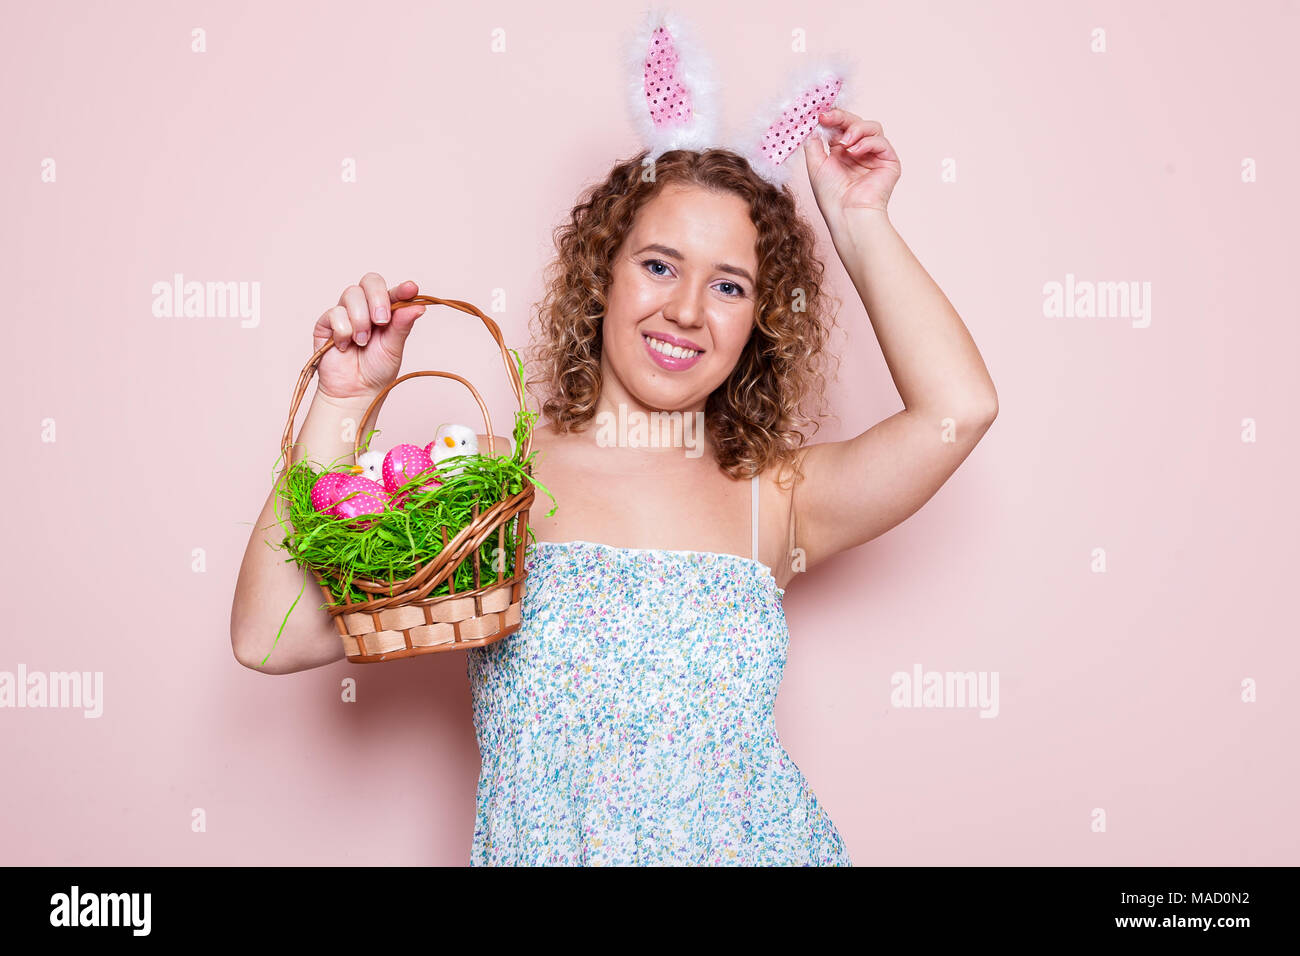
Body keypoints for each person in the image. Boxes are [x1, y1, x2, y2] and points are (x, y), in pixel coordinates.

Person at [230, 16, 997, 867]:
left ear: (761, 319)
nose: (686, 311)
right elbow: (272, 635)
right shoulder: (498, 485)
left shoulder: (775, 496)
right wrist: (346, 402)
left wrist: (858, 220)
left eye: (730, 285)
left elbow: (956, 412)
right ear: (603, 275)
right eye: (660, 265)